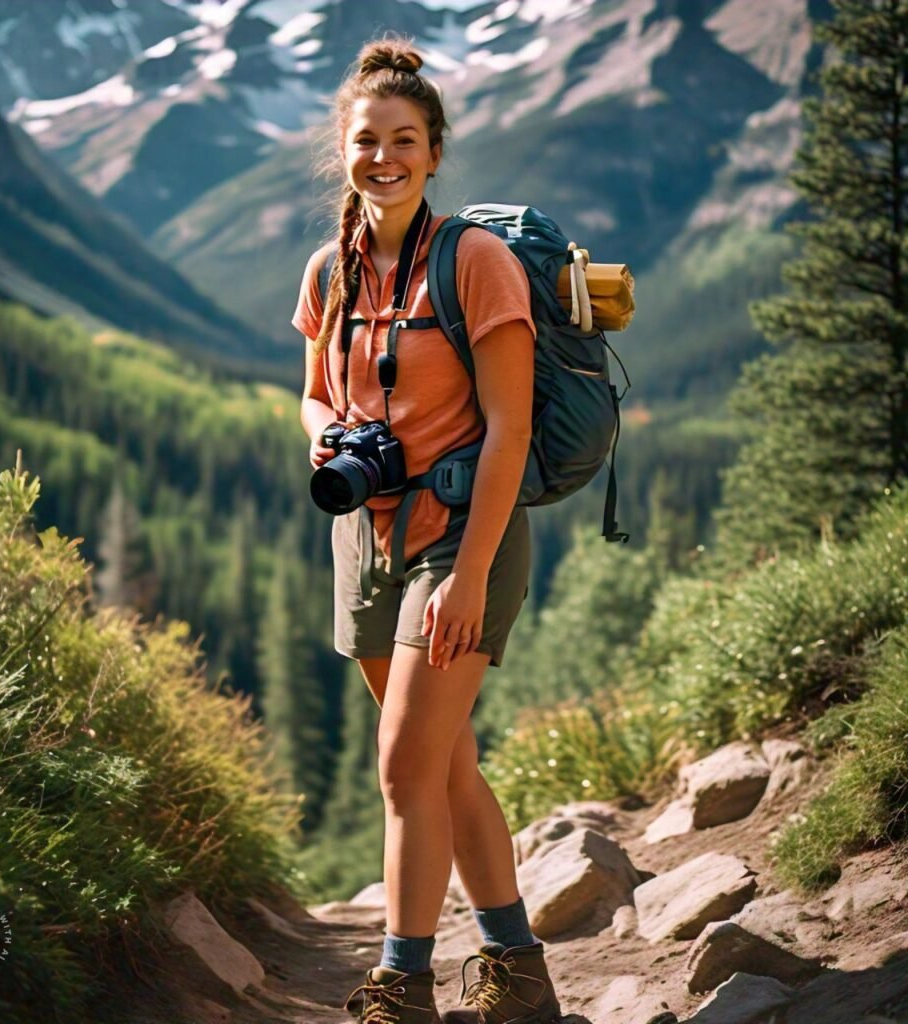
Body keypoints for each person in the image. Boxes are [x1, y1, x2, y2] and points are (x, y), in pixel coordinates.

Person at [293, 35, 564, 1024]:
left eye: (404, 139)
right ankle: (519, 973)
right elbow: (314, 397)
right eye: (367, 140)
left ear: (434, 151)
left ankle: (400, 988)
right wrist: (329, 438)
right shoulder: (331, 272)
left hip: (462, 544)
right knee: (443, 763)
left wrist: (469, 575)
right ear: (345, 149)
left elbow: (510, 431)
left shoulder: (477, 262)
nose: (383, 157)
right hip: (364, 542)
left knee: (403, 764)